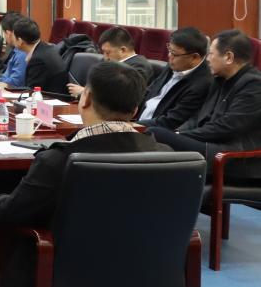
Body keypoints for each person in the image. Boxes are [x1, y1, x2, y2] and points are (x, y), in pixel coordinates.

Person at [0, 61, 170, 228]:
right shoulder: (165, 156)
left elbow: (11, 213)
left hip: (66, 250)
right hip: (146, 250)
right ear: (135, 110)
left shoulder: (57, 161)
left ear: (86, 99)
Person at [149, 30, 261, 179]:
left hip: (233, 156)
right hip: (211, 144)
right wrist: (179, 133)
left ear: (228, 57)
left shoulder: (254, 85)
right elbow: (198, 117)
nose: (207, 59)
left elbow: (227, 127)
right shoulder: (219, 79)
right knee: (158, 137)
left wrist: (182, 136)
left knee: (156, 134)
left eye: (211, 54)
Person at [138, 27, 212, 127]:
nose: (169, 56)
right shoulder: (174, 64)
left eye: (174, 54)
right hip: (139, 121)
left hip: (154, 130)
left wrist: (132, 126)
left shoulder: (202, 84)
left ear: (195, 57)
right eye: (169, 50)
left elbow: (171, 121)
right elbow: (150, 91)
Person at [67, 27, 154, 98]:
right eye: (103, 52)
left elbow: (123, 96)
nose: (105, 57)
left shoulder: (140, 67)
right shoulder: (108, 61)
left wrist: (85, 92)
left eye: (108, 52)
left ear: (123, 50)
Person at [0, 18, 69, 96]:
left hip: (53, 100)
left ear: (20, 41)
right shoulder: (44, 48)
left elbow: (31, 91)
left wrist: (7, 87)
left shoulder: (38, 59)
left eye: (13, 36)